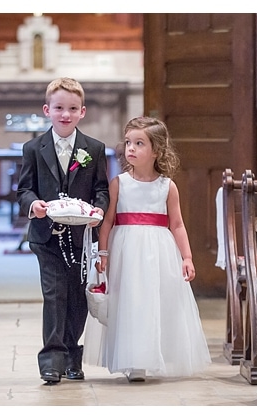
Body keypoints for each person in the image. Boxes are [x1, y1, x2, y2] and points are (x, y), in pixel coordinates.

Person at [89, 116, 210, 382]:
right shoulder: (119, 183)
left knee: (153, 302)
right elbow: (108, 221)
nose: (130, 148)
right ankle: (134, 362)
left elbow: (177, 224)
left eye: (139, 143)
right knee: (130, 301)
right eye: (128, 142)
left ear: (157, 150)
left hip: (158, 251)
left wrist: (186, 257)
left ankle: (152, 355)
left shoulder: (167, 186)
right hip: (126, 250)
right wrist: (103, 253)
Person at [16, 77, 110, 385]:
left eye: (72, 108)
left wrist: (98, 210)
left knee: (77, 298)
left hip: (81, 239)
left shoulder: (93, 149)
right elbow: (24, 189)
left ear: (82, 111)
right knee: (54, 295)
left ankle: (73, 355)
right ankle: (51, 360)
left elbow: (101, 190)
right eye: (59, 108)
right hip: (47, 237)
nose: (65, 114)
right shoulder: (33, 148)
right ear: (47, 110)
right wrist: (34, 205)